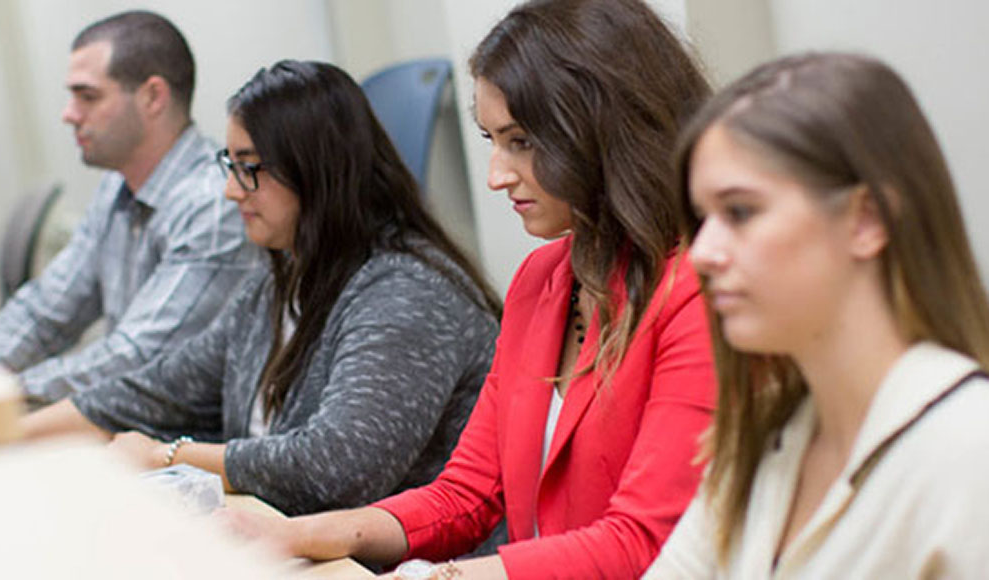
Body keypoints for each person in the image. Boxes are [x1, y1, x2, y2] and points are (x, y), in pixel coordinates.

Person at [222, 1, 716, 577]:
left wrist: (444, 577)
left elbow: (640, 545)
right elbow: (468, 494)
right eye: (493, 139)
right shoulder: (543, 281)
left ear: (604, 127)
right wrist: (295, 535)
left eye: (521, 141)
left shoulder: (698, 295)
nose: (496, 175)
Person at [22, 60, 502, 517]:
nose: (232, 189)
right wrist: (8, 434)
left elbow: (335, 468)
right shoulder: (279, 281)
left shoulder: (408, 293)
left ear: (317, 172)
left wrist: (167, 456)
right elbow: (157, 390)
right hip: (288, 538)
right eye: (229, 165)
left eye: (249, 168)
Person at [643, 53, 989, 578]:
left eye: (739, 212)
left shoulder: (968, 454)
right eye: (701, 218)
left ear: (866, 219)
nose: (701, 253)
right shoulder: (762, 443)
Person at [0, 11, 257, 405]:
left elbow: (136, 359)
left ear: (153, 97)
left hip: (186, 440)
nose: (68, 114)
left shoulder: (212, 205)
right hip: (125, 419)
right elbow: (45, 312)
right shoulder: (116, 187)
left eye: (87, 96)